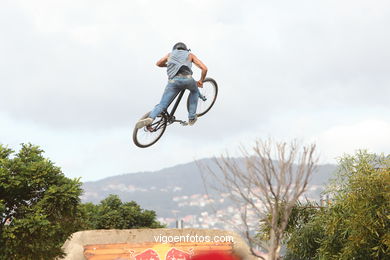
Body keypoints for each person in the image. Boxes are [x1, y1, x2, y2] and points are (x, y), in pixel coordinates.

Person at [136, 42, 208, 129]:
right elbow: (204, 68)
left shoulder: (170, 55)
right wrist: (201, 80)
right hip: (188, 80)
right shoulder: (190, 55)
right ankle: (192, 117)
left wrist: (169, 65)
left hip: (173, 82)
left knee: (162, 105)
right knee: (194, 91)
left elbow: (158, 63)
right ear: (185, 49)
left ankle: (151, 118)